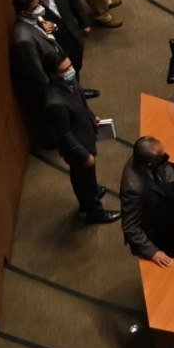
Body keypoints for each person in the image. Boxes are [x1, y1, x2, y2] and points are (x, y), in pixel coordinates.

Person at [9, 0, 94, 153]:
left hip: (59, 74)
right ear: (24, 12)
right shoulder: (23, 39)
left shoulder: (33, 20)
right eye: (35, 6)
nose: (40, 7)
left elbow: (47, 35)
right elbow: (37, 73)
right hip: (54, 82)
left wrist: (53, 26)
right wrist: (59, 91)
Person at [42, 55, 118, 224]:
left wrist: (92, 117)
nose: (70, 71)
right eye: (65, 69)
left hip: (85, 135)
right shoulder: (55, 102)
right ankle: (96, 213)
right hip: (77, 147)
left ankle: (87, 199)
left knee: (82, 176)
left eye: (70, 66)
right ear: (53, 75)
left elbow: (81, 104)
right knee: (84, 178)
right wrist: (84, 156)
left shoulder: (69, 82)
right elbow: (65, 135)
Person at [121, 136, 174, 266]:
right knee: (169, 258)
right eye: (161, 155)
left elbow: (164, 167)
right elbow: (130, 227)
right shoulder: (133, 189)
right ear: (150, 163)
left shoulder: (142, 158)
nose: (166, 156)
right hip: (155, 233)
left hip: (164, 218)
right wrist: (153, 252)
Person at [25, 0, 91, 74]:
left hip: (74, 32)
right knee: (66, 70)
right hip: (59, 44)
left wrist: (85, 23)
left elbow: (74, 2)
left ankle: (78, 88)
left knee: (77, 64)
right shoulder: (32, 7)